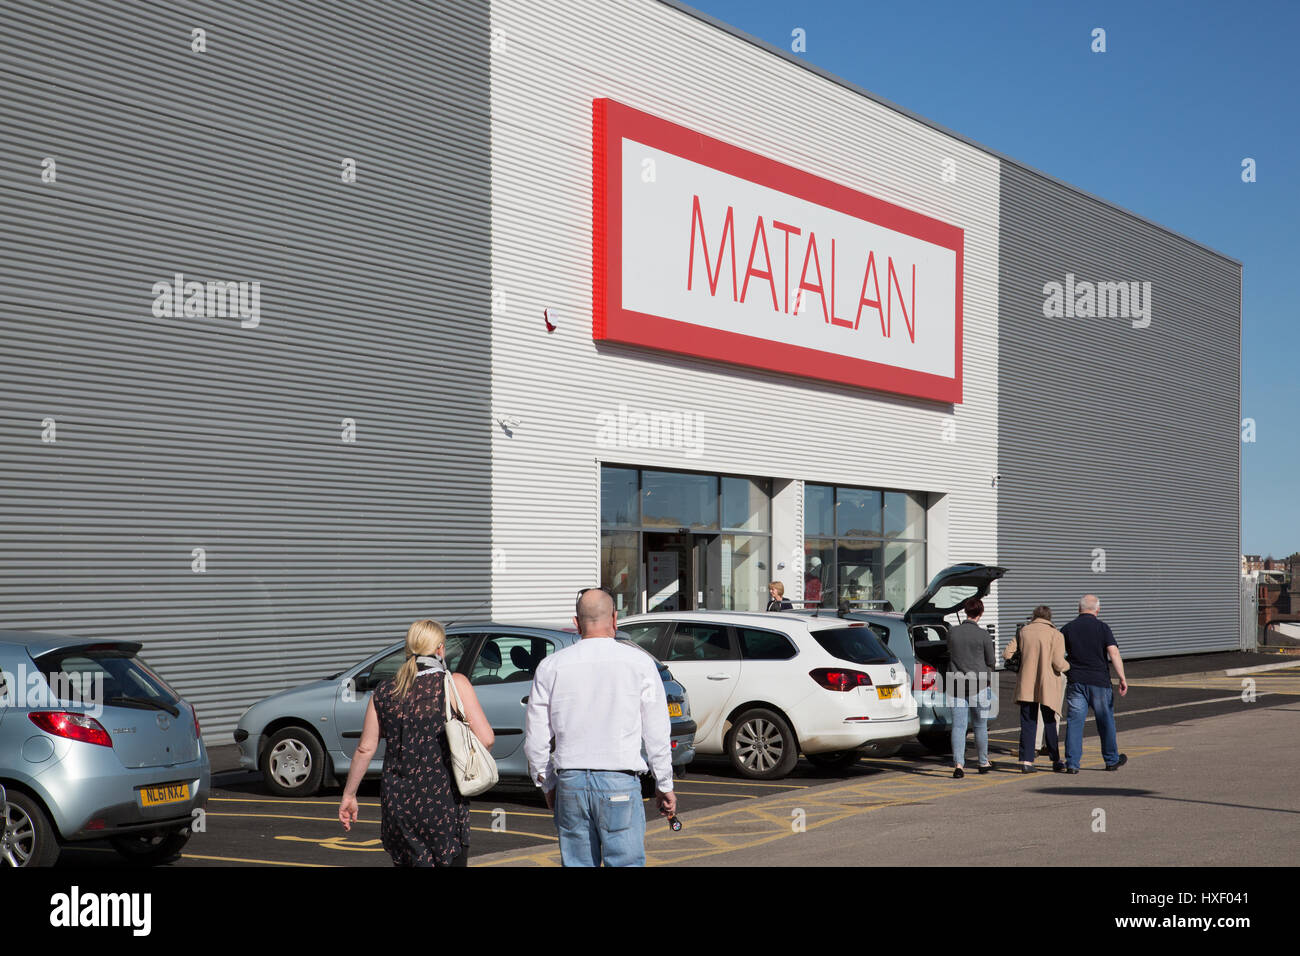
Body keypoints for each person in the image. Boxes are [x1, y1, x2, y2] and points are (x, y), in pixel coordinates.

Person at [524, 587, 676, 866]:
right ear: (615, 619)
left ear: (576, 622)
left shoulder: (550, 666)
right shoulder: (640, 663)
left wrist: (546, 783)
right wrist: (664, 783)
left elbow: (536, 738)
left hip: (570, 782)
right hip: (618, 779)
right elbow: (656, 731)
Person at [338, 619, 494, 866]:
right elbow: (486, 739)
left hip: (398, 803)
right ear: (440, 649)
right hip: (443, 801)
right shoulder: (453, 684)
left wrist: (349, 795)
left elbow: (365, 748)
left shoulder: (386, 690)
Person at [1061, 594, 1129, 773]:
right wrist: (1122, 677)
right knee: (1105, 721)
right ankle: (1111, 760)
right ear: (1097, 610)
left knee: (1075, 722)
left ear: (1079, 609)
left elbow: (1059, 655)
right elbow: (1113, 653)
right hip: (1099, 682)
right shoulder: (1102, 628)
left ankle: (1072, 763)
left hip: (1076, 681)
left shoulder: (1067, 629)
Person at [1003, 605, 1069, 773]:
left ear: (1034, 616)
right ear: (1049, 618)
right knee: (1049, 722)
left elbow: (1007, 654)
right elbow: (1058, 663)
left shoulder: (1023, 632)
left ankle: (1026, 761)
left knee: (1028, 722)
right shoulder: (1056, 634)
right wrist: (1069, 665)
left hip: (1027, 683)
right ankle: (1055, 760)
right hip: (1047, 685)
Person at [946, 597, 996, 777]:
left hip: (956, 684)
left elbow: (949, 651)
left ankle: (959, 765)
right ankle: (983, 762)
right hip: (980, 684)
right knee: (980, 726)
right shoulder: (983, 635)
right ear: (980, 613)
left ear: (966, 612)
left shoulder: (952, 632)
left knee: (958, 727)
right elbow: (991, 661)